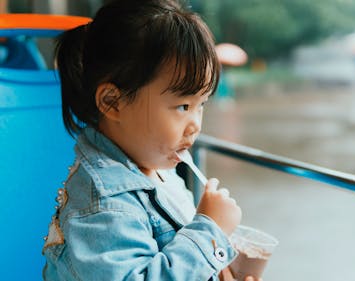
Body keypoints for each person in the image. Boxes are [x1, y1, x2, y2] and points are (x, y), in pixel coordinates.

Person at [42, 1, 259, 280]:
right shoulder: (103, 205)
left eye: (201, 104)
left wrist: (220, 271)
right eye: (183, 106)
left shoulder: (158, 165)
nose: (195, 125)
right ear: (113, 102)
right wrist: (210, 232)